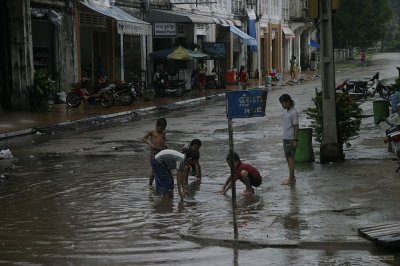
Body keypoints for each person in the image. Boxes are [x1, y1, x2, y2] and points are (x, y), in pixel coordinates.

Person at [279, 94, 299, 185]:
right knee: (288, 158)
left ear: (288, 102)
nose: (282, 106)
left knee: (290, 158)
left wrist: (295, 140)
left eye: (283, 103)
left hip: (290, 139)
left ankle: (291, 179)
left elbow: (296, 127)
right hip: (285, 138)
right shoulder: (286, 112)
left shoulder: (293, 112)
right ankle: (292, 178)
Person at [142, 117, 167, 186]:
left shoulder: (163, 133)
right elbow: (144, 138)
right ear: (156, 125)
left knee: (161, 167)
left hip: (161, 152)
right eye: (161, 128)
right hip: (154, 152)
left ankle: (159, 182)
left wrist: (165, 146)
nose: (161, 130)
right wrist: (151, 144)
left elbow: (164, 140)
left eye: (163, 129)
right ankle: (150, 184)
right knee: (154, 169)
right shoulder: (152, 132)